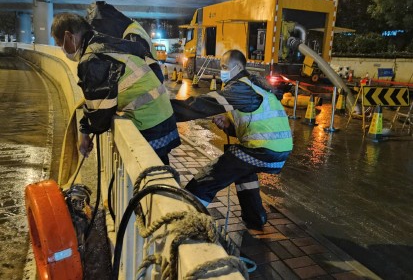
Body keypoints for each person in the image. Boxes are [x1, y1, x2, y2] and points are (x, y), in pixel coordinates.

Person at [171, 49, 293, 230]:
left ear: (238, 67)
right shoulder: (255, 86)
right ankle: (255, 218)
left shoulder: (241, 87)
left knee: (209, 177)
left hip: (263, 150)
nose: (222, 71)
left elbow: (203, 105)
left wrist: (164, 112)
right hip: (277, 150)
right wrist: (229, 125)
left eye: (224, 67)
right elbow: (256, 125)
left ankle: (184, 220)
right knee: (244, 172)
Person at [51, 13, 180, 165]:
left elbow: (100, 117)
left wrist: (85, 131)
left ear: (68, 37)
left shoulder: (92, 59)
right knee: (160, 171)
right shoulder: (106, 44)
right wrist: (85, 127)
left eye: (60, 44)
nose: (62, 50)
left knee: (148, 176)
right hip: (164, 118)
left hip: (148, 125)